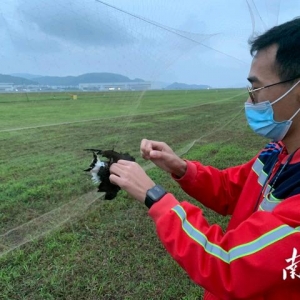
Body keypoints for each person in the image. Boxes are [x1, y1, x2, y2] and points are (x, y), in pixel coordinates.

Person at [109, 17, 300, 299]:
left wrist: (155, 197)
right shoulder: (277, 152)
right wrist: (181, 168)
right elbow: (230, 190)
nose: (250, 101)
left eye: (257, 89)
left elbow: (228, 265)